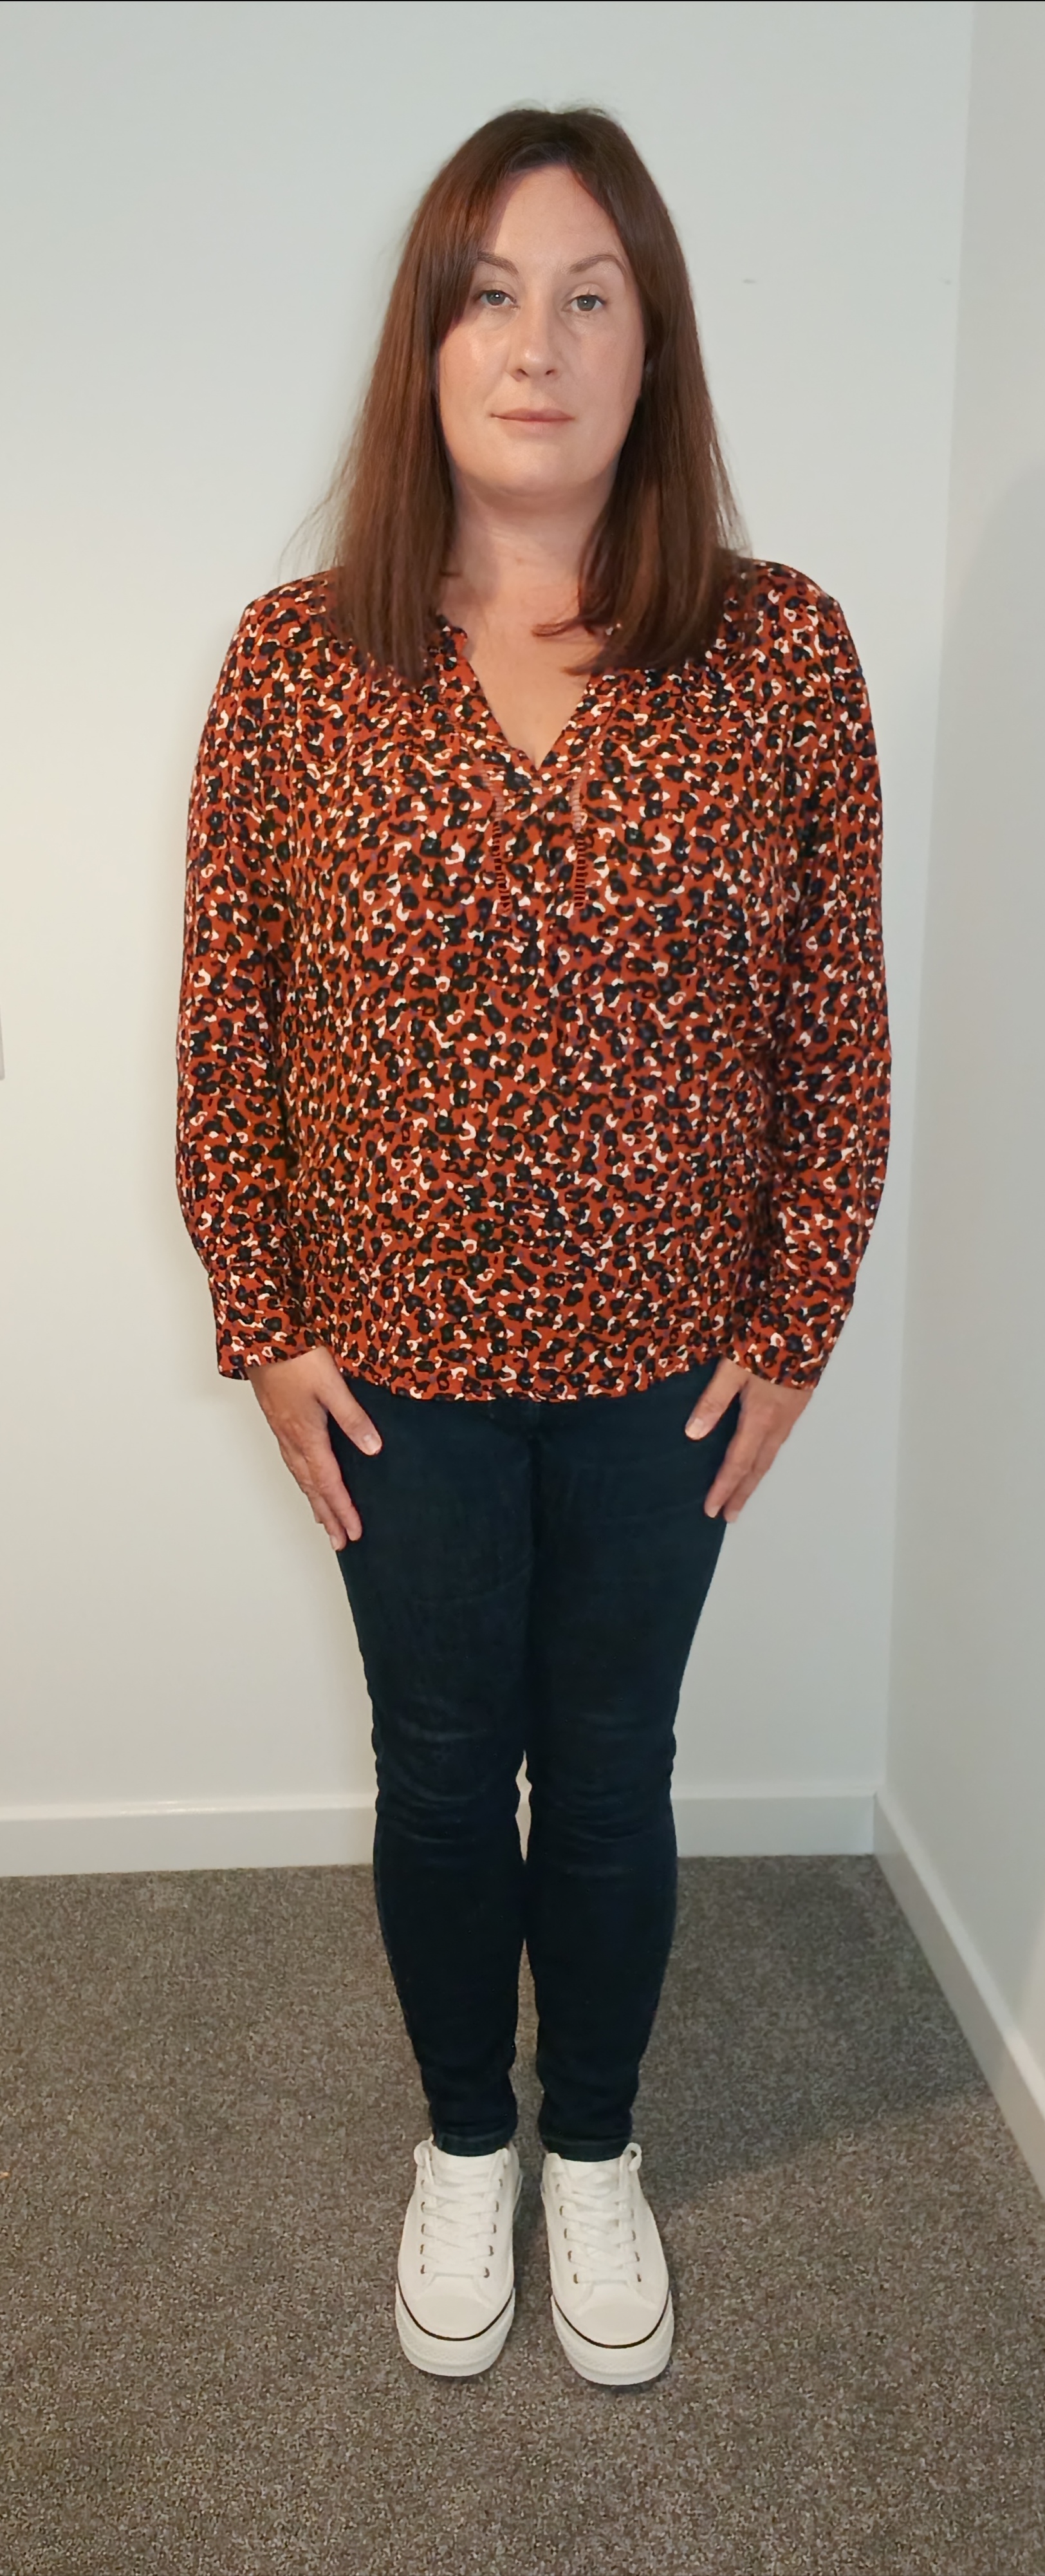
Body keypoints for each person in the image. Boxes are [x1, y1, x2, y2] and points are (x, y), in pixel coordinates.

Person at [176, 106, 889, 2389]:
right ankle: (464, 2136)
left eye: (592, 296)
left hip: (663, 1366)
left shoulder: (779, 654)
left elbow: (836, 1021)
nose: (538, 344)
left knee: (606, 1771)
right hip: (391, 1367)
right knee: (431, 1765)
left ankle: (593, 2142)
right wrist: (263, 1319)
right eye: (491, 293)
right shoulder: (297, 665)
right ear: (428, 341)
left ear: (654, 345)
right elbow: (227, 1016)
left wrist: (797, 1326)